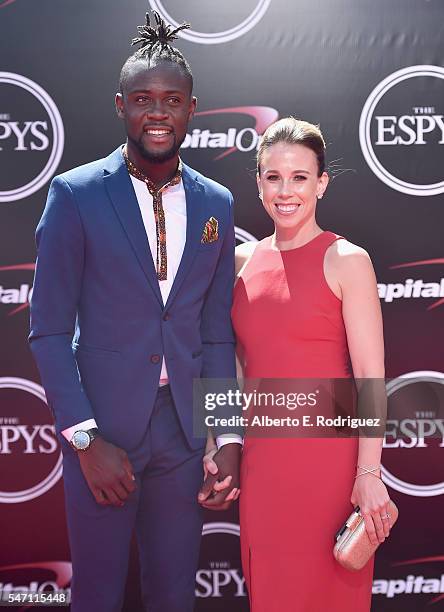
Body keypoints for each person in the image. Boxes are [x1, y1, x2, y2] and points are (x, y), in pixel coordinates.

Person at [29, 11, 241, 612]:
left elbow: (214, 331)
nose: (158, 112)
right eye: (143, 99)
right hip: (103, 432)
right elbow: (46, 330)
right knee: (95, 595)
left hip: (181, 432)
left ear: (192, 109)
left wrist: (225, 434)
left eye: (172, 100)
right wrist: (85, 439)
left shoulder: (216, 203)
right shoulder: (76, 194)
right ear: (121, 105)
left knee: (174, 596)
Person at [230, 117, 392, 611]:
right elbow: (236, 370)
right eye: (273, 177)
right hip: (263, 472)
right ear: (258, 183)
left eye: (300, 177)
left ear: (321, 183)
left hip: (330, 472)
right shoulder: (238, 263)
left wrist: (369, 473)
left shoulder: (348, 260)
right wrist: (219, 444)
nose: (286, 191)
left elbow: (369, 379)